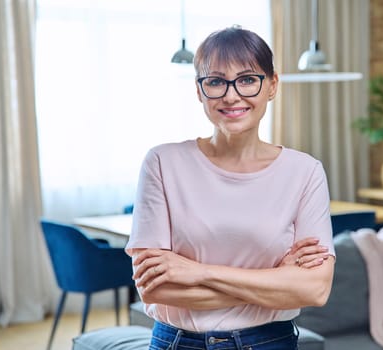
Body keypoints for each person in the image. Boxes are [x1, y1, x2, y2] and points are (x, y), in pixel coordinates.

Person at [125, 26, 335, 350]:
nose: (231, 95)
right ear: (199, 90)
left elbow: (314, 290)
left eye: (248, 79)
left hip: (269, 342)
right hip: (178, 343)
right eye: (216, 81)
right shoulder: (162, 163)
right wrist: (276, 280)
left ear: (272, 85)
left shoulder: (305, 172)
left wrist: (195, 272)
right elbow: (153, 289)